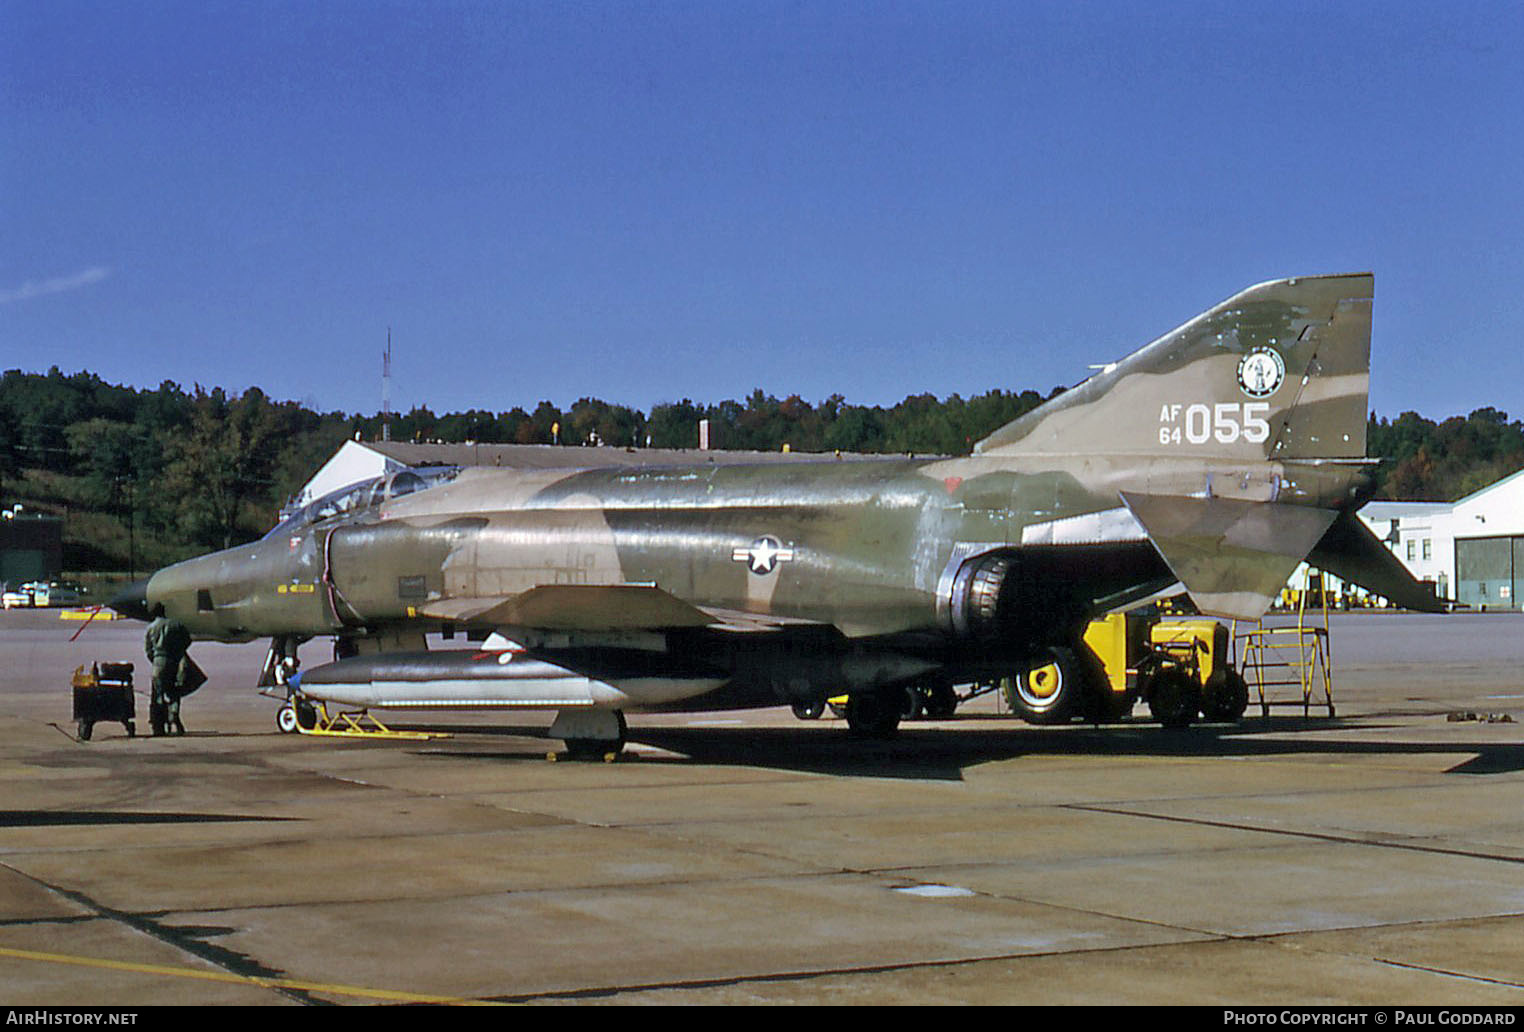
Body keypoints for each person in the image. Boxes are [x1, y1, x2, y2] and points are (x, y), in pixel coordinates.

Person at [144, 603, 193, 736]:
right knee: (174, 693)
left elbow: (148, 650)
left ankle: (158, 725)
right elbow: (188, 640)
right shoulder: (176, 625)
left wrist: (155, 660)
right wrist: (177, 651)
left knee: (157, 695)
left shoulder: (151, 627)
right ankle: (174, 717)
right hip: (174, 662)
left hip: (158, 662)